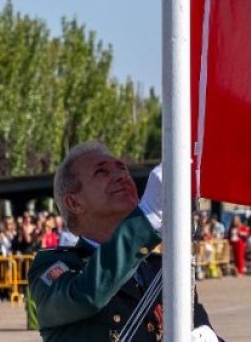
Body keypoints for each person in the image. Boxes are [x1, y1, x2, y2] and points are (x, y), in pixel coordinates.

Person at [27, 142, 222, 341]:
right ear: (74, 203)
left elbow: (199, 328)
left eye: (122, 169)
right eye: (102, 172)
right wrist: (146, 218)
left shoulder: (161, 269)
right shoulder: (53, 266)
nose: (122, 176)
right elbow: (85, 296)